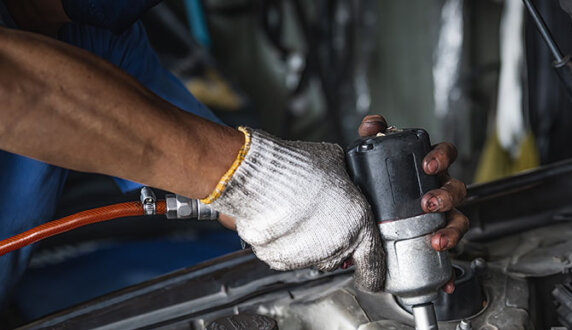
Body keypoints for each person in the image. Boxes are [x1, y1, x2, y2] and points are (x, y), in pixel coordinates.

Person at [0, 0, 468, 297]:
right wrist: (258, 177)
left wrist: (372, 198)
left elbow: (217, 187)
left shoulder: (100, 39)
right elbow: (17, 87)